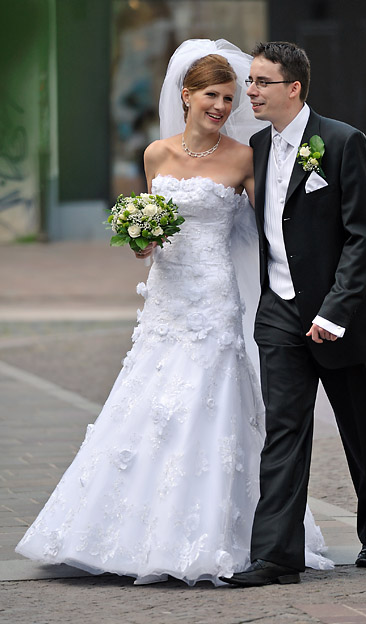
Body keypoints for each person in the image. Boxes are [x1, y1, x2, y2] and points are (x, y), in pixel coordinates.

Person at [15, 39, 333, 586]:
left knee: (211, 400)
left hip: (213, 296)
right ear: (186, 95)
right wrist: (141, 241)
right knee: (150, 400)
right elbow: (153, 229)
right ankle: (129, 532)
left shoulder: (244, 157)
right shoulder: (155, 155)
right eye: (213, 95)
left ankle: (227, 534)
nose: (222, 106)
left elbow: (273, 226)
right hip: (165, 296)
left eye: (230, 98)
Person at [221, 41, 366, 588]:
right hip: (279, 310)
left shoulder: (343, 141)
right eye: (250, 82)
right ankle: (276, 556)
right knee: (283, 430)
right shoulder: (257, 146)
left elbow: (362, 236)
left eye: (261, 82)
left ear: (294, 87)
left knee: (361, 426)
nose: (250, 92)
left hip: (338, 316)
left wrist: (335, 311)